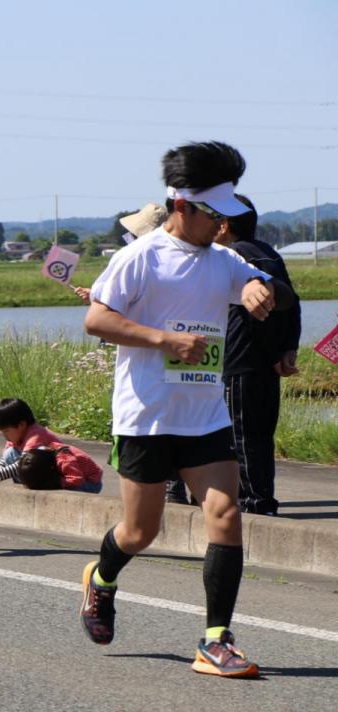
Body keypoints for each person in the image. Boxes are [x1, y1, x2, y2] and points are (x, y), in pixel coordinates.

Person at [79, 141, 294, 679]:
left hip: (205, 417)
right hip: (147, 415)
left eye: (227, 215)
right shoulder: (141, 257)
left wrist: (254, 289)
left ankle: (216, 640)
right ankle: (101, 580)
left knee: (225, 512)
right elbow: (97, 321)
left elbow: (267, 285)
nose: (221, 224)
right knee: (140, 532)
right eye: (212, 213)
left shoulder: (224, 259)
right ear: (182, 206)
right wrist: (163, 339)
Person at [215, 195, 301, 516]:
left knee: (241, 435)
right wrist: (287, 348)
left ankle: (255, 504)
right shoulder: (269, 253)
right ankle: (261, 500)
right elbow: (292, 302)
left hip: (240, 359)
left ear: (224, 225)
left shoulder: (232, 257)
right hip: (267, 361)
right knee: (260, 434)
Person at [0, 398, 102, 493]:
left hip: (86, 481)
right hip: (52, 471)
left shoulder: (36, 437)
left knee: (25, 463)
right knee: (10, 453)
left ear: (21, 425)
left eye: (6, 431)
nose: (4, 435)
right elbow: (3, 463)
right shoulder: (16, 438)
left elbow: (21, 465)